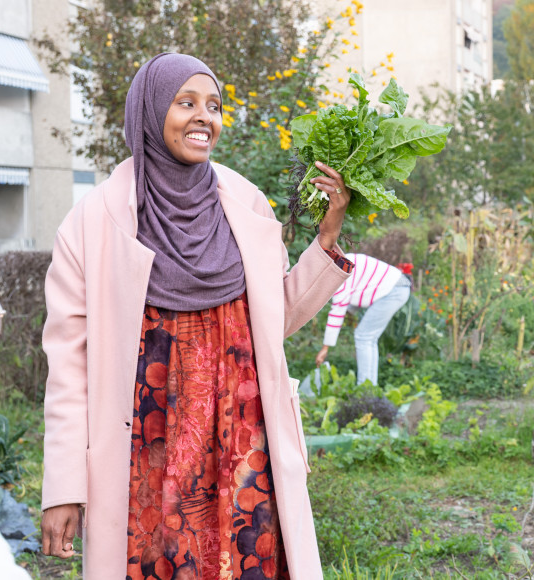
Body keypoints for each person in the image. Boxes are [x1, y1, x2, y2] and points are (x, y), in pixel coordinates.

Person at [39, 53, 354, 579]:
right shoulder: (93, 224)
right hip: (147, 454)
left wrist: (327, 239)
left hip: (242, 446)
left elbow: (273, 323)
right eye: (186, 103)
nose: (204, 117)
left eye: (214, 105)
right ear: (150, 110)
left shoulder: (245, 205)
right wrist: (64, 488)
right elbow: (68, 371)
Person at [314, 254, 411, 385]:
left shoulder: (338, 275)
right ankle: (370, 387)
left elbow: (337, 312)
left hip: (393, 291)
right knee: (368, 338)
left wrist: (325, 348)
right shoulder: (341, 261)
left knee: (363, 337)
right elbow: (356, 295)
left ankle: (364, 389)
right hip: (398, 286)